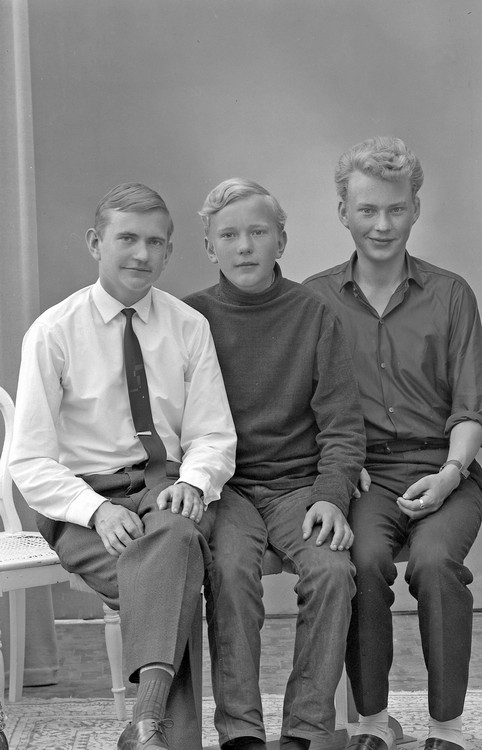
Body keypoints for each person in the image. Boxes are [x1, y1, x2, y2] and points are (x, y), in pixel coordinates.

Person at [9, 183, 237, 750]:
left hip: (165, 488)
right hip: (83, 500)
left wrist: (194, 481)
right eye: (127, 239)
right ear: (96, 243)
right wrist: (97, 511)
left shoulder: (189, 326)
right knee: (176, 565)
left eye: (155, 242)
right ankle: (153, 727)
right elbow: (30, 460)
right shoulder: (53, 332)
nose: (142, 254)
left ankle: (148, 725)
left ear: (169, 251)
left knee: (174, 539)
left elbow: (212, 433)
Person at [304, 136, 482, 750]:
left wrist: (452, 473)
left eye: (396, 209)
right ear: (343, 212)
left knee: (435, 565)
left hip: (447, 466)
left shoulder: (452, 294)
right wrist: (336, 463)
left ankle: (447, 729)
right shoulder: (314, 299)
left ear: (415, 209)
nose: (382, 225)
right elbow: (306, 405)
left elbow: (470, 407)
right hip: (364, 475)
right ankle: (372, 725)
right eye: (368, 210)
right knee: (363, 562)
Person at [184, 178, 366, 750]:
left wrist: (331, 495)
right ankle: (241, 732)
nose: (244, 246)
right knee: (229, 572)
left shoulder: (314, 314)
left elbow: (342, 425)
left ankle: (305, 731)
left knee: (332, 572)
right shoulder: (189, 318)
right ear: (209, 247)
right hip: (227, 489)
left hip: (299, 487)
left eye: (258, 232)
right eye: (228, 236)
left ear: (281, 241)